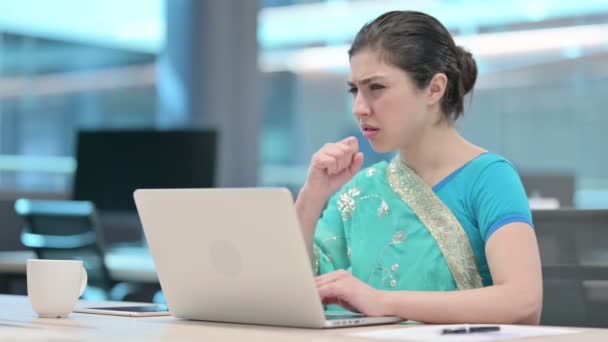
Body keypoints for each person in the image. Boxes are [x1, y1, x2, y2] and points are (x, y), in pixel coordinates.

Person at [294, 10, 542, 324]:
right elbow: (299, 292)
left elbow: (522, 302)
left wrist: (381, 301)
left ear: (435, 89)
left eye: (376, 88)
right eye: (354, 90)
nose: (359, 108)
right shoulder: (361, 190)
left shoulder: (489, 177)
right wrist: (310, 200)